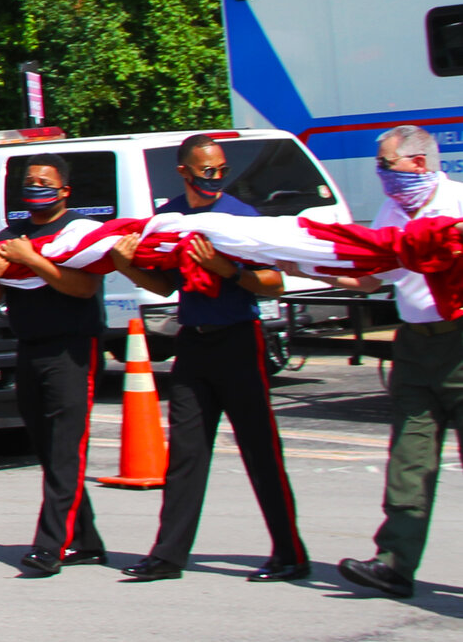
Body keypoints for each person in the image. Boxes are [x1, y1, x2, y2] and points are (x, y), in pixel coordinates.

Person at [108, 135, 305, 583]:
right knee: (185, 454)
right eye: (206, 169)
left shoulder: (240, 216)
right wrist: (126, 266)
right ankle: (168, 556)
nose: (214, 177)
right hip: (193, 343)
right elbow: (164, 287)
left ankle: (290, 553)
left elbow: (273, 282)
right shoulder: (172, 217)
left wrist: (229, 271)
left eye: (220, 169)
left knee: (260, 450)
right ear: (184, 171)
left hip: (238, 339)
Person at [333, 125, 463, 598]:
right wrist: (306, 267)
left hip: (459, 341)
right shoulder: (392, 211)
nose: (381, 174)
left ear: (418, 163)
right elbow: (371, 279)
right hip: (413, 345)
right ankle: (394, 562)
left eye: (386, 164)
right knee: (408, 460)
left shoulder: (457, 204)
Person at [0, 152, 109, 577]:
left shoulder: (77, 234)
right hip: (29, 348)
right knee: (50, 451)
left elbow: (85, 288)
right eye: (29, 182)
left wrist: (34, 260)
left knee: (67, 450)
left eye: (44, 182)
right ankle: (86, 541)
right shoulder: (10, 234)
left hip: (71, 349)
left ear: (65, 190)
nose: (35, 189)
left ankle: (50, 547)